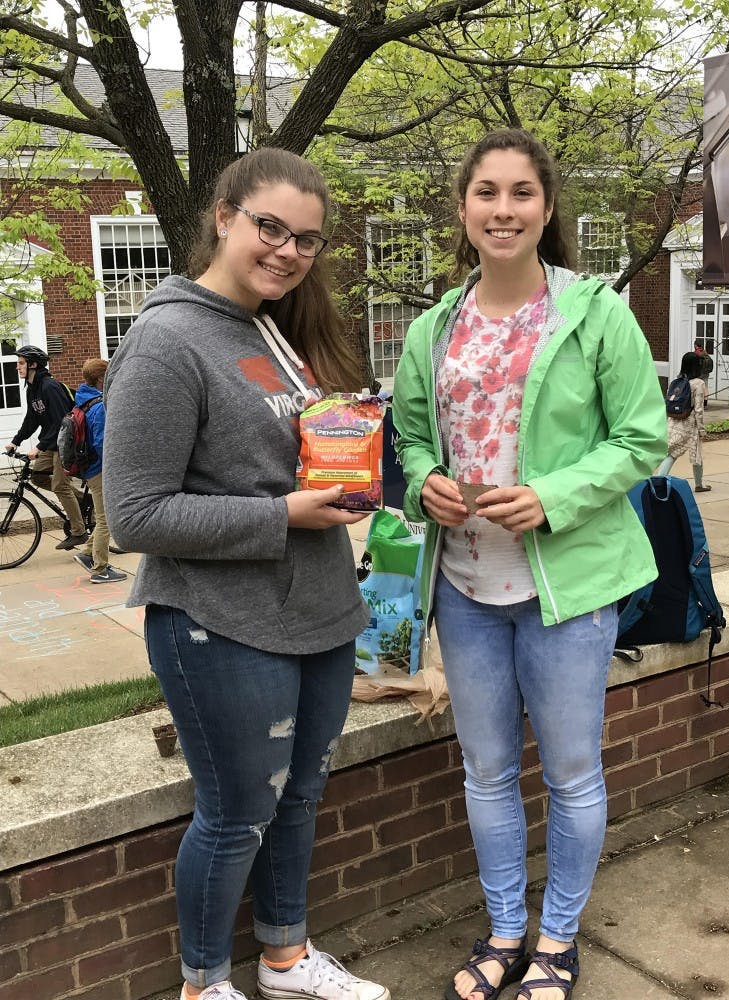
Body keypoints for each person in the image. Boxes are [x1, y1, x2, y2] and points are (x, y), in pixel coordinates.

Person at [102, 147, 390, 1000]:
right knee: (236, 817)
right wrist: (285, 516)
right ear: (223, 216)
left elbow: (293, 453)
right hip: (220, 624)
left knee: (299, 798)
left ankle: (285, 959)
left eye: (306, 239)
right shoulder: (166, 338)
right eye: (270, 227)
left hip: (320, 614)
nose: (288, 251)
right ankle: (201, 985)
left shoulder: (281, 328)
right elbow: (136, 516)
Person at [392, 128, 666, 1000]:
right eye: (486, 193)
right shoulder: (434, 328)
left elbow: (641, 438)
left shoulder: (595, 313)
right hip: (465, 590)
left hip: (568, 590)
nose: (502, 209)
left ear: (547, 208)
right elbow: (405, 437)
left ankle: (558, 937)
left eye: (520, 193)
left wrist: (554, 494)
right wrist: (424, 478)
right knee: (486, 771)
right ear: (464, 209)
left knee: (573, 771)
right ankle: (506, 926)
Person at [4, 345, 89, 549]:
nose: (17, 367)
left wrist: (39, 446)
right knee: (37, 476)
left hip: (65, 444)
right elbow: (31, 420)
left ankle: (79, 532)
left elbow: (62, 421)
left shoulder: (49, 386)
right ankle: (84, 502)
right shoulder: (32, 389)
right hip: (51, 442)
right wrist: (16, 440)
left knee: (60, 485)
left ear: (33, 364)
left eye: (21, 363)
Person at [70, 359, 128, 584]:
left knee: (106, 516)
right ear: (101, 379)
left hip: (89, 469)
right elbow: (104, 443)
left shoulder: (82, 401)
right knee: (106, 520)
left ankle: (86, 553)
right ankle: (100, 569)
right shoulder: (99, 406)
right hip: (100, 469)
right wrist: (117, 467)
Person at [657, 351, 711, 492]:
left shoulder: (677, 381)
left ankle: (660, 481)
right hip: (690, 423)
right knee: (692, 453)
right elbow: (699, 409)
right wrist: (702, 429)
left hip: (674, 420)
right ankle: (660, 482)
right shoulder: (698, 383)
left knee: (672, 453)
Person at [693, 340, 714, 404]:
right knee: (705, 387)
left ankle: (697, 402)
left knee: (697, 387)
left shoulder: (696, 352)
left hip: (699, 373)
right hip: (706, 373)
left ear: (696, 345)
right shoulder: (704, 352)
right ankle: (705, 402)